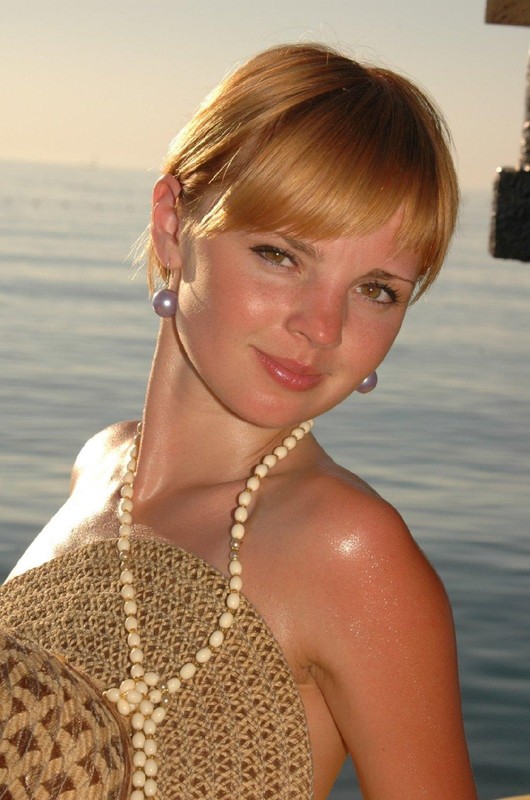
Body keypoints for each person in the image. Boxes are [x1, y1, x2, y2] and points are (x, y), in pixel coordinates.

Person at [0, 42, 478, 800]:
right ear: (171, 225)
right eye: (281, 255)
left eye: (377, 289)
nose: (322, 327)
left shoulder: (353, 552)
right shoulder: (98, 468)